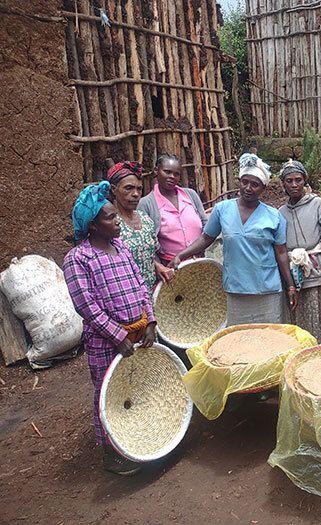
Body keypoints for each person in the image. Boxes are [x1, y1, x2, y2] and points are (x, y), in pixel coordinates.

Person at [63, 181, 156, 476]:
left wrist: (150, 320)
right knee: (108, 393)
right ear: (92, 225)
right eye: (110, 218)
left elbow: (141, 285)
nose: (117, 222)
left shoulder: (121, 248)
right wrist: (117, 336)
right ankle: (112, 453)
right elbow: (86, 306)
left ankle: (139, 441)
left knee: (138, 386)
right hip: (106, 341)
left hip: (139, 332)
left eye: (116, 216)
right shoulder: (78, 259)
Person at [170, 153, 298, 325]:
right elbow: (206, 238)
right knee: (237, 341)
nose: (248, 188)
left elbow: (281, 253)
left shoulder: (274, 216)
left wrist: (290, 286)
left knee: (268, 340)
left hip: (267, 291)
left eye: (255, 184)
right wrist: (181, 255)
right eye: (244, 182)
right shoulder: (222, 210)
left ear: (263, 188)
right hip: (236, 289)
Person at [278, 159, 321, 342]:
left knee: (319, 317)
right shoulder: (280, 212)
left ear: (305, 180)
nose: (294, 185)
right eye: (289, 181)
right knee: (298, 317)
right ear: (283, 184)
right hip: (294, 274)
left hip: (317, 271)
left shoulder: (317, 204)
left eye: (298, 179)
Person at [137, 154, 208, 269]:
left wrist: (199, 249)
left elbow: (206, 226)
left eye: (176, 174)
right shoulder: (146, 204)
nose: (172, 177)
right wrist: (159, 267)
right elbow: (145, 242)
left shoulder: (191, 195)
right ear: (156, 170)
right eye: (167, 172)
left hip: (199, 261)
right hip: (170, 267)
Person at [106, 161, 167, 291]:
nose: (135, 194)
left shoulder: (145, 219)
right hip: (124, 297)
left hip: (150, 294)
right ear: (113, 189)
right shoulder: (108, 224)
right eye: (128, 188)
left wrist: (157, 266)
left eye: (139, 189)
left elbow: (147, 254)